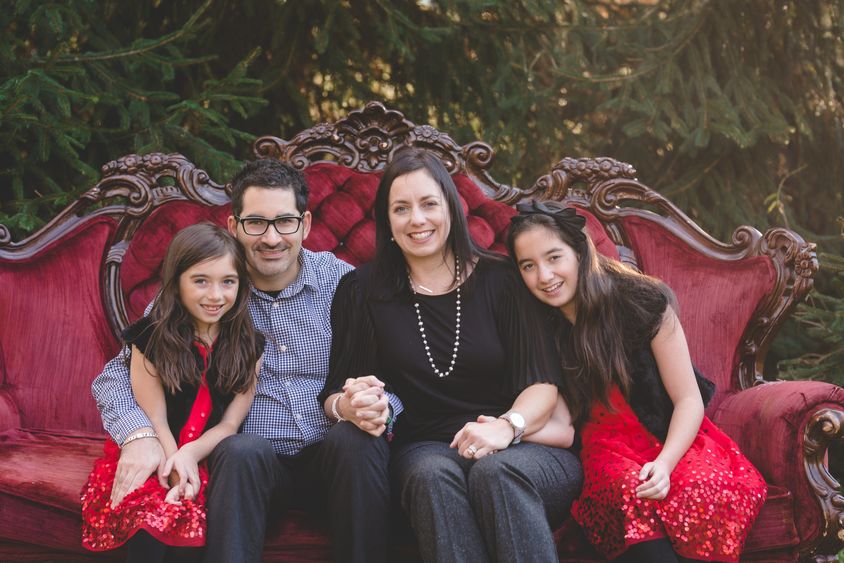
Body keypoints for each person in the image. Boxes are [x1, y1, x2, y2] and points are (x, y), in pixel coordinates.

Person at [91, 159, 402, 563]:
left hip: (333, 463)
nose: (271, 238)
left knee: (357, 439)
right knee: (242, 449)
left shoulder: (344, 284)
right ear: (234, 225)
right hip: (252, 469)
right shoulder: (209, 286)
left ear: (305, 224)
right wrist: (140, 437)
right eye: (256, 222)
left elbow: (391, 374)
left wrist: (378, 408)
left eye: (284, 222)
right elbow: (116, 375)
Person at [319, 148, 583, 563]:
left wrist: (504, 429)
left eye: (428, 204)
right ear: (386, 221)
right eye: (401, 208)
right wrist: (349, 405)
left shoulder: (503, 280)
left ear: (451, 208)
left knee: (496, 472)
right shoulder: (362, 291)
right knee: (431, 475)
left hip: (522, 446)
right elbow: (337, 391)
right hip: (425, 448)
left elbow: (542, 382)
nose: (417, 220)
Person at [507, 200, 768, 563]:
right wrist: (508, 429)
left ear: (580, 252)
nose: (544, 276)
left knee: (697, 486)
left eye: (554, 258)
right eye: (529, 266)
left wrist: (665, 462)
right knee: (630, 491)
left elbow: (688, 400)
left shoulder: (642, 303)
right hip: (606, 449)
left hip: (670, 434)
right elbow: (563, 428)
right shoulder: (538, 328)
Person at [82, 223, 262, 560]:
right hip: (157, 453)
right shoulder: (150, 337)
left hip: (203, 458)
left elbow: (229, 425)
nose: (215, 296)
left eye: (228, 282)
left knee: (192, 533)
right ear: (177, 282)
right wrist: (173, 464)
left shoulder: (251, 345)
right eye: (200, 281)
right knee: (148, 521)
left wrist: (190, 456)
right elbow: (155, 417)